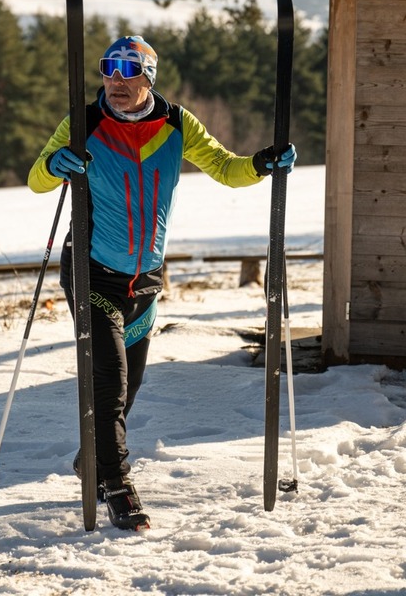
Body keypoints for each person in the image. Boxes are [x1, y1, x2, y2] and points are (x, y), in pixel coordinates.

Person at [27, 34, 296, 530]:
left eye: (128, 70)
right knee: (109, 385)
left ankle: (95, 458)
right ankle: (116, 484)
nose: (115, 80)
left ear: (148, 76)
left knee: (129, 391)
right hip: (90, 271)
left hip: (144, 279)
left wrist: (261, 164)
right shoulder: (82, 123)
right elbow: (36, 180)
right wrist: (54, 163)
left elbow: (225, 167)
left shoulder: (175, 123)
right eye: (109, 68)